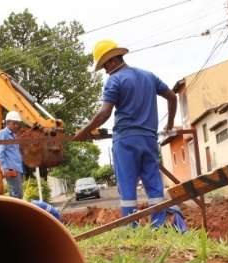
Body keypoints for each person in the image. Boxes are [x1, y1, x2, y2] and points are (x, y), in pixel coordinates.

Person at [73, 39, 178, 229]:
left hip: (126, 140)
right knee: (154, 186)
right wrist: (169, 124)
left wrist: (83, 132)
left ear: (112, 60)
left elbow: (105, 113)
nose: (105, 70)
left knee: (127, 187)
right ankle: (159, 226)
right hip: (149, 138)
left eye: (105, 65)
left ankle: (132, 228)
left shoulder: (115, 80)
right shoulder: (149, 76)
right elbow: (172, 96)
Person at [0, 111, 24, 199]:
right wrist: (4, 169)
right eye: (14, 123)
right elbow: (0, 153)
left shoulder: (14, 135)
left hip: (17, 168)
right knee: (17, 195)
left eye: (18, 123)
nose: (17, 125)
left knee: (18, 194)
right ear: (7, 122)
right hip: (11, 169)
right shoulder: (3, 134)